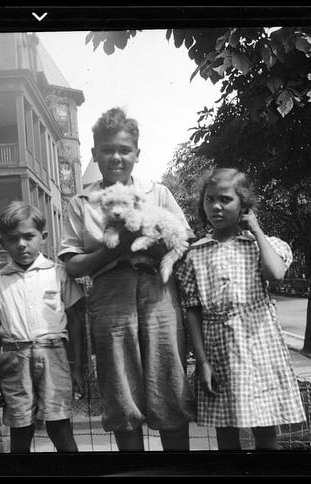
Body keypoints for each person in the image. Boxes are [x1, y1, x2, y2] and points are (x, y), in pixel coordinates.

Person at [58, 107, 195, 451]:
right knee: (121, 390)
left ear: (137, 153)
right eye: (107, 150)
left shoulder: (157, 192)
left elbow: (185, 242)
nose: (116, 157)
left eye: (124, 150)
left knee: (169, 383)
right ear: (94, 154)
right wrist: (113, 251)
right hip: (110, 297)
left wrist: (146, 244)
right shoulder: (82, 203)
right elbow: (72, 265)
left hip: (158, 292)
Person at [176, 168, 307, 450]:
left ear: (244, 205)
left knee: (264, 428)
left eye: (225, 199)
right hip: (217, 349)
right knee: (226, 432)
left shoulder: (261, 245)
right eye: (210, 200)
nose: (216, 207)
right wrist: (202, 362)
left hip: (259, 347)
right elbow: (192, 311)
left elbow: (276, 273)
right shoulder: (195, 254)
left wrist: (256, 228)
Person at [0, 201, 85, 453]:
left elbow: (76, 322)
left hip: (54, 356)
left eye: (29, 236)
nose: (21, 244)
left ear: (43, 237)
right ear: (3, 242)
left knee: (60, 428)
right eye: (13, 239)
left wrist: (79, 368)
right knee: (21, 431)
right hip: (14, 360)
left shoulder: (58, 274)